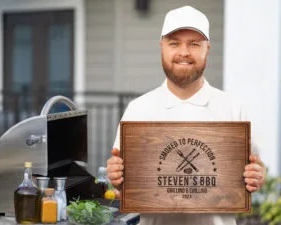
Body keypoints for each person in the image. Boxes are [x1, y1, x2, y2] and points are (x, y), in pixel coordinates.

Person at [106, 5, 266, 225]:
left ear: (207, 48)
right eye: (174, 43)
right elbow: (123, 188)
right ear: (162, 47)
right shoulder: (138, 109)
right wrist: (117, 179)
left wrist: (258, 176)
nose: (184, 52)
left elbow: (256, 168)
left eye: (194, 44)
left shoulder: (233, 108)